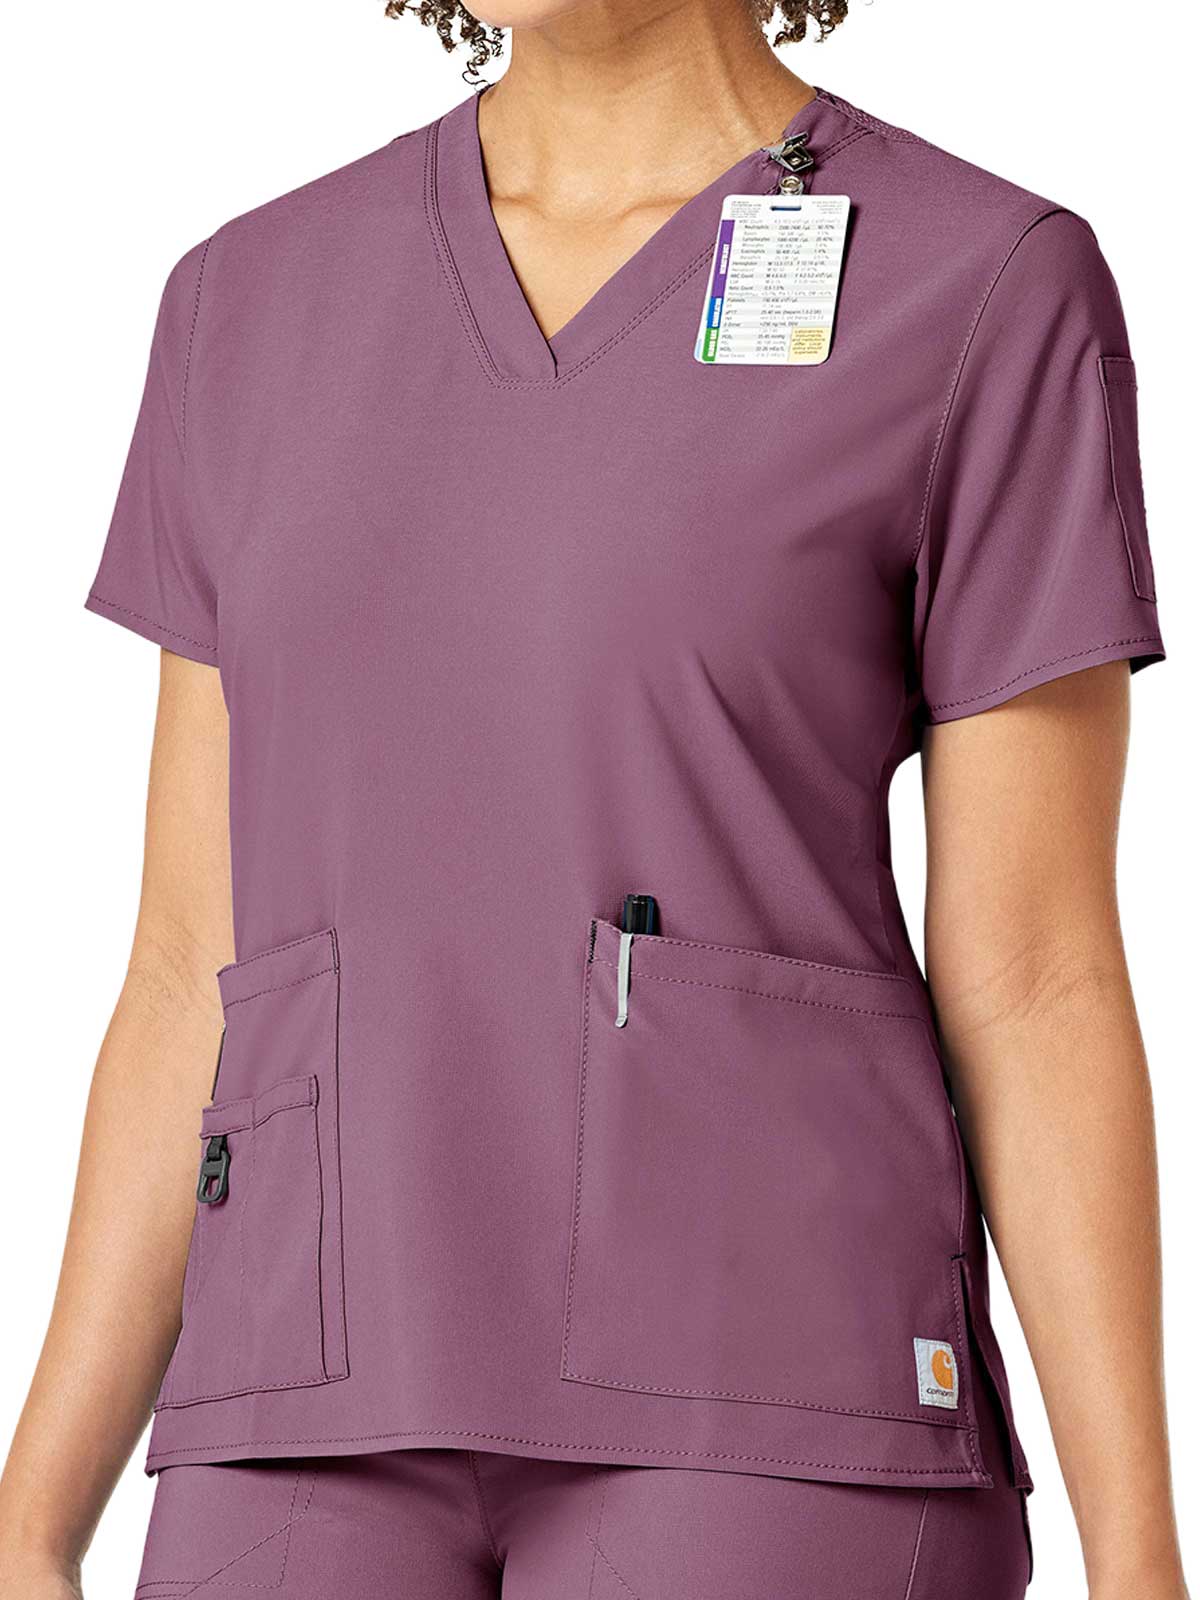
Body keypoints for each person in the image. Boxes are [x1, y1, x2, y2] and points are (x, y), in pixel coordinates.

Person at [0, 2, 1189, 1597]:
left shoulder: (977, 282)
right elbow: (184, 966)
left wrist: (1138, 1559)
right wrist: (31, 1519)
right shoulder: (249, 300)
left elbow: (1036, 976)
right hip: (302, 1379)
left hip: (774, 1390)